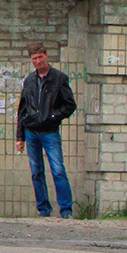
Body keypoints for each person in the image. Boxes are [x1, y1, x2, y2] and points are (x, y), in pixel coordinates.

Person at [14, 42, 77, 218]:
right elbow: (22, 110)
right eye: (34, 58)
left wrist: (53, 117)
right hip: (31, 132)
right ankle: (43, 209)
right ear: (31, 60)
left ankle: (66, 210)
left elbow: (70, 105)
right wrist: (20, 137)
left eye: (40, 57)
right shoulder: (29, 81)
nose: (38, 61)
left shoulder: (59, 78)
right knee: (36, 172)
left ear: (46, 56)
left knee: (58, 170)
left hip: (50, 132)